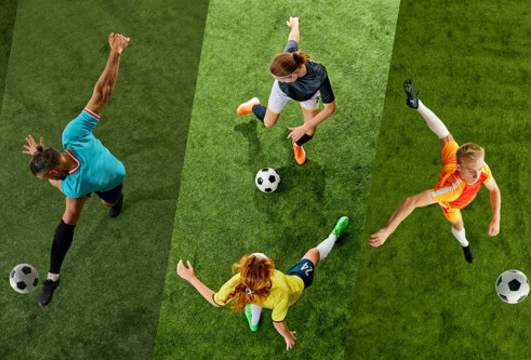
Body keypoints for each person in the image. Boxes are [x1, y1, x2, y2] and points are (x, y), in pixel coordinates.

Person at [22, 33, 129, 307]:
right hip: (109, 172)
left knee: (103, 206)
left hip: (109, 182)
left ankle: (115, 201)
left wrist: (46, 176)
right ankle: (52, 277)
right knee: (68, 220)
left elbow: (55, 183)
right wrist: (115, 54)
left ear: (54, 174)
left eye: (44, 176)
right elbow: (102, 92)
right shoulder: (73, 134)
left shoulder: (71, 186)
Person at [368, 80, 501, 264]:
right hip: (453, 204)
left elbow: (494, 189)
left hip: (452, 164)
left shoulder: (480, 167)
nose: (478, 175)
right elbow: (411, 201)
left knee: (446, 136)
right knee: (458, 224)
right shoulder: (450, 190)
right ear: (460, 167)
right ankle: (465, 244)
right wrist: (387, 230)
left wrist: (496, 218)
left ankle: (417, 103)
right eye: (472, 171)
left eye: (479, 168)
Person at [177, 216, 349, 351]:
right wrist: (287, 336)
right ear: (268, 272)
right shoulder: (281, 290)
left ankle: (254, 323)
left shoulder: (237, 281)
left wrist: (191, 278)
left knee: (252, 298)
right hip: (297, 282)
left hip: (258, 296)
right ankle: (333, 235)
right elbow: (278, 322)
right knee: (313, 254)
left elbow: (215, 300)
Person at [235, 17, 336, 165]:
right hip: (282, 92)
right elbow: (293, 38)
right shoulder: (289, 56)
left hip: (307, 95)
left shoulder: (318, 74)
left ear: (294, 76)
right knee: (268, 123)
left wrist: (304, 127)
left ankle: (297, 145)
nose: (278, 80)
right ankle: (253, 105)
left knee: (309, 131)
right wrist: (295, 24)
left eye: (281, 79)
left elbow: (330, 108)